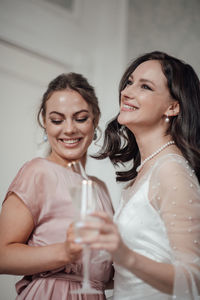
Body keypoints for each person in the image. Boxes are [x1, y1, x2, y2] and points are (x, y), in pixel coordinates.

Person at [74, 51, 200, 299]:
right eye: (130, 82)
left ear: (173, 107)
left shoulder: (171, 171)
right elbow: (132, 275)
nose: (127, 91)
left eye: (145, 86)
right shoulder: (146, 171)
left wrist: (125, 255)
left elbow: (193, 280)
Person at [0, 73, 114, 299]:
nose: (69, 129)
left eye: (80, 118)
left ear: (96, 119)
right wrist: (65, 252)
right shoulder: (37, 171)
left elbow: (101, 272)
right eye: (57, 120)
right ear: (44, 121)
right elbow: (2, 256)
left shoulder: (99, 188)